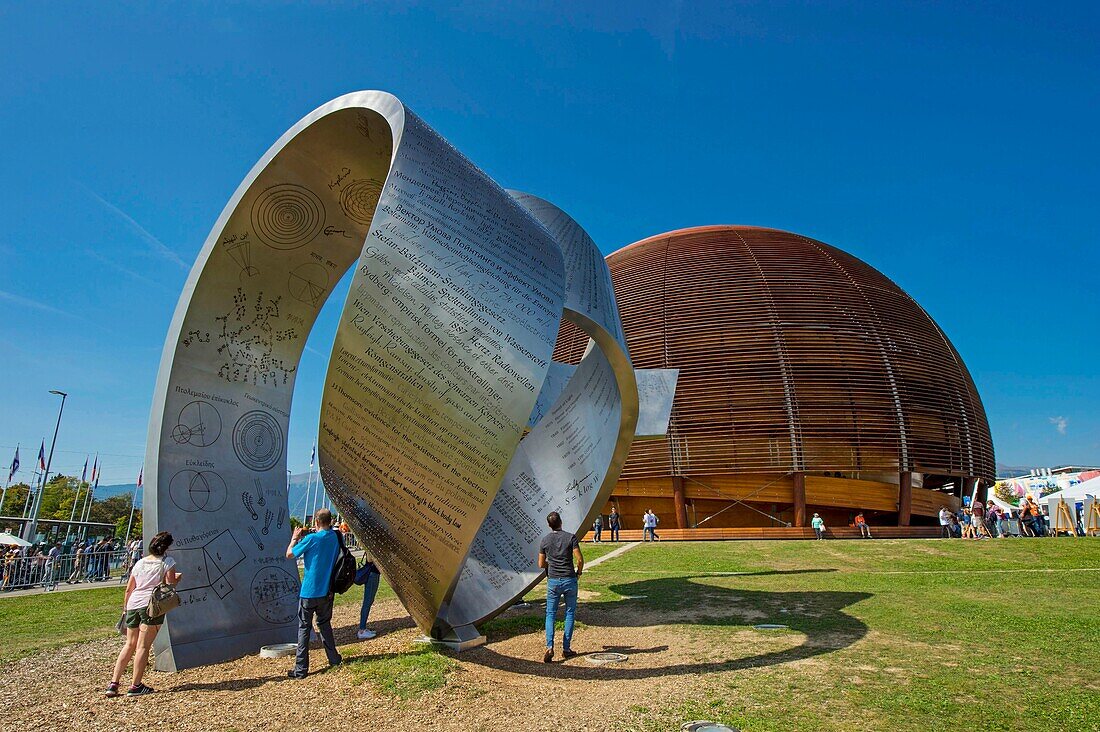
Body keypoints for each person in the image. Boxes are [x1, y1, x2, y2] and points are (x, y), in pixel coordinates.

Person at [106, 531, 182, 697]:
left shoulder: (140, 563)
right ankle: (136, 685)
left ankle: (113, 683)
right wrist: (177, 578)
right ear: (167, 547)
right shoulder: (167, 562)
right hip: (151, 606)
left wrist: (125, 609)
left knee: (129, 644)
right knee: (143, 646)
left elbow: (129, 588)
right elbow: (169, 586)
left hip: (133, 603)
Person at [286, 508, 342, 678]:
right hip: (327, 591)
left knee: (304, 628)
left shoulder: (311, 539)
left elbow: (289, 554)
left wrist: (294, 539)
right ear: (330, 521)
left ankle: (301, 669)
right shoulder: (335, 537)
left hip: (309, 591)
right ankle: (334, 659)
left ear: (316, 522)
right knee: (325, 625)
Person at [538, 511, 583, 662]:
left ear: (549, 525)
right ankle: (566, 648)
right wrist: (579, 572)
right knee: (569, 613)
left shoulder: (545, 540)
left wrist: (549, 566)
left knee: (550, 613)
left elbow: (540, 564)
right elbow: (580, 559)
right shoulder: (571, 537)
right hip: (569, 579)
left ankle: (550, 647)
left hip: (553, 581)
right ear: (561, 522)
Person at [357, 555, 382, 640]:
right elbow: (369, 560)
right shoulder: (370, 547)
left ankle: (363, 628)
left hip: (374, 574)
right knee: (367, 602)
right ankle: (362, 630)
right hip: (372, 574)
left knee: (369, 601)